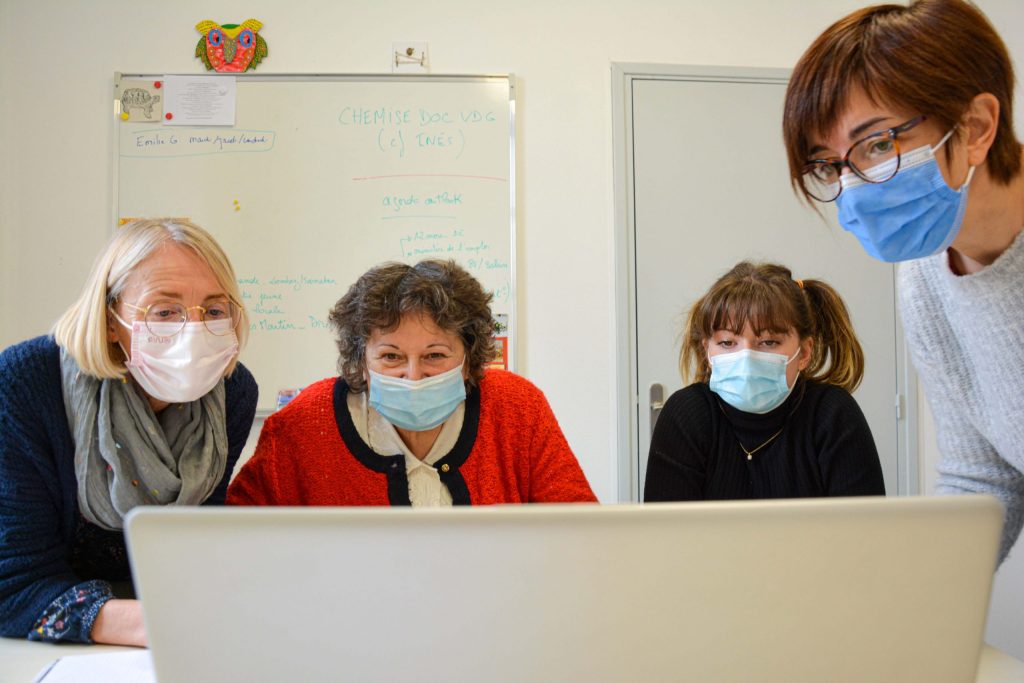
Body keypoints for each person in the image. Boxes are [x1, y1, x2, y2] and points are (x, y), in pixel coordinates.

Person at [782, 0, 1024, 560]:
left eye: (879, 144)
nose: (854, 186)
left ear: (976, 127)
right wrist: (912, 594)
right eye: (829, 164)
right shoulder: (925, 276)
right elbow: (982, 474)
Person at [0, 219, 258, 646]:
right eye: (165, 312)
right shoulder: (25, 383)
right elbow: (14, 586)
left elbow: (190, 553)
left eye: (214, 311)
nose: (193, 331)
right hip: (42, 651)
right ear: (110, 319)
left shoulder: (233, 392)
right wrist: (162, 624)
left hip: (157, 644)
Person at [228, 259, 596, 507]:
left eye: (435, 355)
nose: (414, 376)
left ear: (468, 360)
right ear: (362, 362)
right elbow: (238, 542)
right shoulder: (303, 425)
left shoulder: (517, 408)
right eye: (391, 357)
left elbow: (580, 534)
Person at [644, 261, 884, 502]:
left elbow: (864, 523)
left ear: (804, 352)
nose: (747, 358)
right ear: (707, 351)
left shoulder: (833, 415)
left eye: (769, 342)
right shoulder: (686, 415)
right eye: (727, 343)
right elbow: (667, 525)